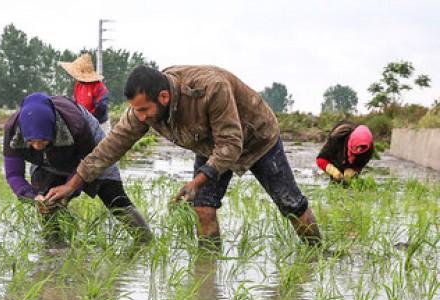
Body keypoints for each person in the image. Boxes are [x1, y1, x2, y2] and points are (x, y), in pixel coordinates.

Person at [45, 65, 321, 246]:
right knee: (203, 207)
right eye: (136, 111)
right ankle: (208, 268)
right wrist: (72, 184)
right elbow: (111, 146)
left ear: (164, 97)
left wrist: (197, 181)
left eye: (143, 111)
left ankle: (317, 254)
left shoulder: (209, 88)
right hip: (208, 145)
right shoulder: (145, 109)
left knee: (291, 205)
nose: (139, 117)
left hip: (256, 138)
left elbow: (230, 145)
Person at [3, 92, 151, 242]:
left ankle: (146, 241)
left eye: (42, 141)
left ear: (53, 129)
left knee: (113, 195)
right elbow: (14, 175)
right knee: (47, 201)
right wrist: (33, 197)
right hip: (47, 161)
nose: (37, 146)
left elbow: (87, 163)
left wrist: (70, 188)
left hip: (88, 153)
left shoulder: (76, 124)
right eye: (31, 143)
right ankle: (55, 249)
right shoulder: (13, 132)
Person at [58, 53, 111, 133]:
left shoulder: (98, 86)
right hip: (85, 123)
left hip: (100, 124)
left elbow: (101, 107)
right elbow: (76, 103)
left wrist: (90, 118)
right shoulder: (78, 85)